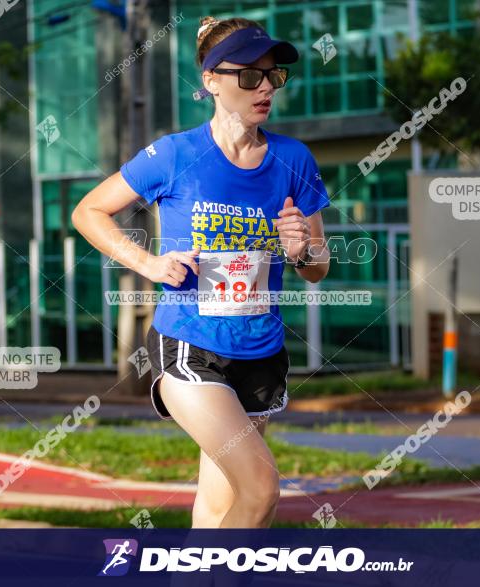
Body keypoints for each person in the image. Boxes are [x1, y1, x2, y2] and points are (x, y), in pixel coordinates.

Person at [72, 15, 331, 528]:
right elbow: (88, 212)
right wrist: (149, 262)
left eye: (273, 76)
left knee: (217, 506)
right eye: (249, 76)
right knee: (260, 489)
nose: (265, 88)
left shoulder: (292, 158)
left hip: (261, 353)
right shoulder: (175, 154)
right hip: (191, 347)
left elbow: (317, 267)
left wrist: (301, 250)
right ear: (211, 81)